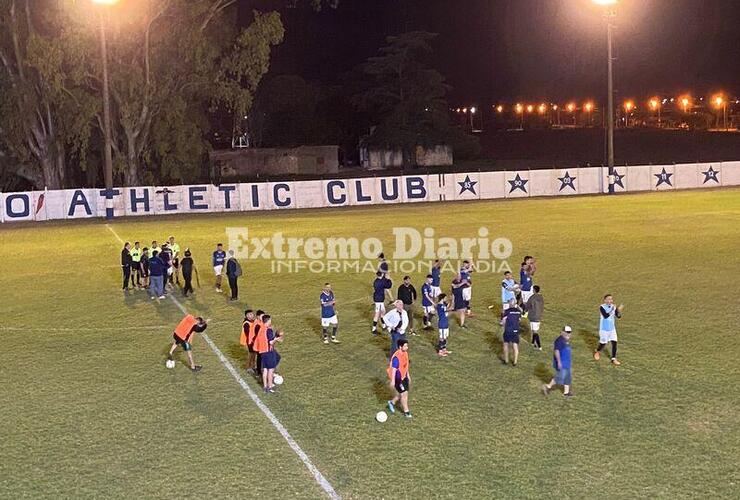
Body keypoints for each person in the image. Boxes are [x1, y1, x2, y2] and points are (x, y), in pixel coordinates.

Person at [543, 326, 573, 397]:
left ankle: (566, 392)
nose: (568, 334)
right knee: (559, 378)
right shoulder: (559, 340)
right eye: (567, 332)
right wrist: (559, 362)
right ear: (562, 332)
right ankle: (547, 386)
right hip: (562, 363)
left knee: (567, 378)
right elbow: (556, 351)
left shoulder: (565, 340)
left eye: (569, 333)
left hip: (566, 363)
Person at [258, 315, 284, 393]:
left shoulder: (261, 328)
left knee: (265, 370)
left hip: (262, 352)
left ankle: (265, 387)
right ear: (268, 321)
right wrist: (276, 339)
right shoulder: (268, 330)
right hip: (269, 352)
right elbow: (270, 342)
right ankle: (270, 386)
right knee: (270, 370)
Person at [387, 339, 412, 418]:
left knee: (404, 393)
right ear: (400, 347)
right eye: (405, 346)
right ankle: (406, 412)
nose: (407, 347)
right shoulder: (396, 358)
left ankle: (392, 402)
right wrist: (393, 381)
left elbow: (406, 365)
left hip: (404, 376)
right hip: (398, 378)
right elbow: (394, 370)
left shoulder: (405, 353)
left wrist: (408, 375)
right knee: (404, 394)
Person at [594, 294, 622, 366]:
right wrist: (612, 310)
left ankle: (613, 358)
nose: (610, 301)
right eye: (608, 299)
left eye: (611, 299)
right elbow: (605, 316)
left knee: (614, 343)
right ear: (605, 300)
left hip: (612, 329)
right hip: (604, 329)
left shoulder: (614, 307)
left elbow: (618, 316)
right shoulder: (602, 307)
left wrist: (618, 311)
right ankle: (597, 351)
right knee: (603, 343)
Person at [500, 298, 522, 366]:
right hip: (516, 330)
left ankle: (506, 360)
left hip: (508, 330)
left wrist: (504, 325)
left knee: (506, 344)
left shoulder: (507, 311)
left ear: (509, 304)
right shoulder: (518, 311)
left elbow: (503, 321)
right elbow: (519, 320)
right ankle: (515, 362)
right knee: (515, 345)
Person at [524, 285, 544, 350]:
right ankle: (532, 342)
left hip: (533, 316)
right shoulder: (541, 297)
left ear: (534, 290)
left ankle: (539, 346)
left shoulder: (532, 297)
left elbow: (527, 306)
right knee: (534, 330)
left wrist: (524, 311)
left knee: (535, 332)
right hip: (539, 316)